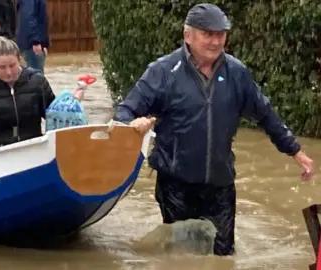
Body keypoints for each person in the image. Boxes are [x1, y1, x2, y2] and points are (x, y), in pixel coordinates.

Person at [113, 3, 314, 256]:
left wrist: (295, 151)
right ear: (188, 35)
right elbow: (124, 111)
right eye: (208, 34)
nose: (216, 41)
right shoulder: (163, 72)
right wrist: (132, 125)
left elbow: (265, 114)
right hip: (176, 184)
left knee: (223, 256)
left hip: (220, 185)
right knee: (182, 257)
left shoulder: (237, 73)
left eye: (221, 34)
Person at [0, 36, 83, 155]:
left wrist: (71, 102)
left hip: (34, 149)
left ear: (19, 60)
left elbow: (54, 115)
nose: (8, 72)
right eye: (2, 67)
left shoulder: (37, 81)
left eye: (12, 65)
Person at [16, 0, 50, 73]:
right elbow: (28, 18)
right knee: (36, 76)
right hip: (31, 43)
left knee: (35, 74)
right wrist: (35, 41)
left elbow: (40, 19)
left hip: (33, 42)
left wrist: (43, 44)